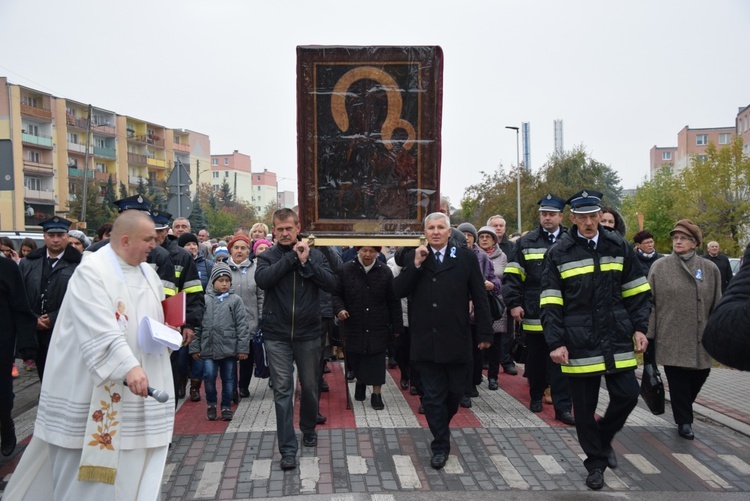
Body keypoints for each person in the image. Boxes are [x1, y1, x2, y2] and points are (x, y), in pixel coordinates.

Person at [4, 210, 177, 499]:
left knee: (134, 470)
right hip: (95, 389)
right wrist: (127, 367)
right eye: (148, 238)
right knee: (89, 480)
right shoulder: (92, 271)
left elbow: (148, 318)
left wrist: (167, 331)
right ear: (125, 240)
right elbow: (98, 327)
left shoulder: (148, 272)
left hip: (140, 394)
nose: (154, 244)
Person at [540, 189, 651, 491]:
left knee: (628, 395)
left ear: (600, 215)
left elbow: (638, 293)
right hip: (578, 341)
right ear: (573, 218)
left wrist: (640, 328)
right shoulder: (559, 253)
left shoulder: (619, 246)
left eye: (594, 216)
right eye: (583, 217)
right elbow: (550, 302)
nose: (589, 222)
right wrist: (555, 342)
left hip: (616, 336)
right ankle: (595, 463)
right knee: (584, 409)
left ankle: (602, 438)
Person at [393, 212, 493, 470]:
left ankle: (442, 424)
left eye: (440, 228)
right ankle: (440, 443)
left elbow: (480, 297)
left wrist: (484, 333)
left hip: (457, 339)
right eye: (431, 228)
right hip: (426, 339)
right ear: (424, 233)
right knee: (434, 397)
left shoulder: (466, 258)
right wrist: (415, 265)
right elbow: (398, 291)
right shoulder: (416, 258)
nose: (435, 232)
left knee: (455, 394)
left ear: (450, 232)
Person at [255, 208, 336, 471]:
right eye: (280, 229)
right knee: (282, 391)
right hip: (276, 334)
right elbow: (263, 280)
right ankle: (288, 449)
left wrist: (307, 263)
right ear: (273, 230)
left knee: (310, 386)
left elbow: (331, 283)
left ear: (297, 226)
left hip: (309, 333)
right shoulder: (267, 256)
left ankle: (308, 426)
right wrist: (292, 258)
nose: (285, 233)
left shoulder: (315, 255)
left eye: (289, 228)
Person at [647, 219, 722, 440]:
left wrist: (718, 333)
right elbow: (649, 303)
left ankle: (683, 410)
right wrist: (648, 334)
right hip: (671, 335)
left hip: (701, 337)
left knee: (701, 373)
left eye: (683, 238)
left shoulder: (710, 268)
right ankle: (684, 421)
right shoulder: (660, 267)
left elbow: (717, 303)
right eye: (675, 238)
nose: (678, 242)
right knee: (678, 378)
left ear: (695, 243)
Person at [504, 194, 575, 425]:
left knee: (563, 359)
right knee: (535, 358)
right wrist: (514, 303)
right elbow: (513, 275)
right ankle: (536, 395)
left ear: (561, 217)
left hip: (565, 311)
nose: (547, 218)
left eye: (552, 214)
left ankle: (563, 406)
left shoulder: (571, 240)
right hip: (534, 310)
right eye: (544, 214)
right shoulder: (526, 242)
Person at [333, 246, 402, 410]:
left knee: (377, 359)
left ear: (377, 253)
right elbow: (336, 294)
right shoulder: (346, 269)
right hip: (354, 323)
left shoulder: (385, 271)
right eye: (364, 250)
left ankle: (376, 394)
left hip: (378, 323)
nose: (368, 254)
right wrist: (340, 310)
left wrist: (397, 326)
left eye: (372, 251)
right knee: (357, 357)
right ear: (358, 251)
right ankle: (360, 381)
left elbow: (393, 300)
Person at [18, 216, 82, 381]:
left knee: (64, 376)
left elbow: (82, 298)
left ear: (67, 236)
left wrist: (54, 317)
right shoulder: (28, 262)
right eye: (51, 235)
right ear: (44, 236)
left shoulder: (80, 264)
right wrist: (33, 318)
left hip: (65, 330)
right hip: (36, 330)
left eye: (60, 235)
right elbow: (20, 295)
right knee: (43, 375)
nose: (55, 240)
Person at [153, 210, 204, 402]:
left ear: (167, 231)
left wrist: (190, 324)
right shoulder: (140, 253)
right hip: (145, 323)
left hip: (171, 326)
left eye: (159, 231)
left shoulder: (181, 256)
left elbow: (193, 292)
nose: (155, 235)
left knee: (170, 374)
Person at [190, 262, 250, 421]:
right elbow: (197, 326)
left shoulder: (235, 300)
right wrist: (194, 347)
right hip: (208, 348)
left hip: (229, 349)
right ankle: (211, 404)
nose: (224, 284)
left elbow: (242, 325)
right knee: (209, 376)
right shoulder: (204, 300)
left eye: (227, 280)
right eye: (220, 280)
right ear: (212, 281)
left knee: (229, 378)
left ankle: (225, 406)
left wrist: (242, 348)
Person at [457, 222, 501, 406]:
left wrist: (492, 285)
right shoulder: (454, 255)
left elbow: (494, 280)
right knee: (461, 351)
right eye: (463, 234)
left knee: (476, 352)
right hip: (458, 312)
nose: (466, 237)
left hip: (477, 312)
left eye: (470, 234)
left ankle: (473, 383)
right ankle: (463, 387)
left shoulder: (482, 257)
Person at [0, 256, 37, 456]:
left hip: (1, 345)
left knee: (2, 397)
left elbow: (21, 309)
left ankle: (6, 424)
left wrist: (27, 345)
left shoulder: (6, 268)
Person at [226, 234, 263, 400]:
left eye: (243, 248)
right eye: (236, 248)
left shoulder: (256, 269)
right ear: (230, 250)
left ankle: (243, 386)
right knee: (229, 358)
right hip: (226, 322)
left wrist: (261, 318)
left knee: (246, 357)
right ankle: (231, 387)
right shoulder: (221, 268)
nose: (239, 251)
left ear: (248, 251)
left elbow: (261, 295)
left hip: (250, 321)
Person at [703, 243, 750, 370]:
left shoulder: (723, 259)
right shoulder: (704, 260)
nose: (714, 248)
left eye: (716, 246)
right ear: (708, 249)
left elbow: (729, 275)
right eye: (712, 247)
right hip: (724, 299)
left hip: (725, 293)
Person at [477, 225, 514, 378]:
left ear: (494, 240)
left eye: (488, 237)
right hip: (478, 303)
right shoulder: (474, 255)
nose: (484, 239)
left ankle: (493, 376)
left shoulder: (502, 256)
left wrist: (494, 285)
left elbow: (506, 279)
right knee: (478, 339)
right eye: (482, 237)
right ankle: (476, 375)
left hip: (496, 302)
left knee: (496, 341)